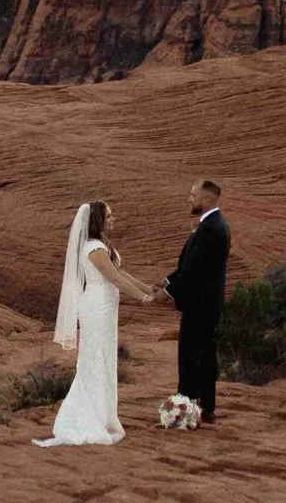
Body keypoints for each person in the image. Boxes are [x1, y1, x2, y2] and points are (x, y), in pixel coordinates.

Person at [33, 199, 156, 447]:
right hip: (96, 308)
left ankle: (103, 414)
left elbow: (120, 272)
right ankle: (90, 417)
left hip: (106, 309)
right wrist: (142, 297)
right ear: (97, 220)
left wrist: (147, 287)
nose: (113, 219)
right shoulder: (94, 248)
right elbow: (114, 278)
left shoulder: (102, 245)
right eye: (109, 216)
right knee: (95, 358)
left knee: (105, 357)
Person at [158, 179, 230, 423]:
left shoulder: (211, 228)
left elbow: (195, 270)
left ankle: (190, 407)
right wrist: (166, 283)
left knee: (193, 355)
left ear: (207, 199)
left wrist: (167, 293)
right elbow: (188, 265)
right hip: (202, 303)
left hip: (201, 304)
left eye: (193, 194)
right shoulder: (210, 225)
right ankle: (200, 405)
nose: (189, 199)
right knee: (199, 354)